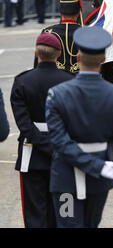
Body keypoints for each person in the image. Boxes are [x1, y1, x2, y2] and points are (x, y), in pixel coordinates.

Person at [45, 27, 113, 228]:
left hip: (66, 178)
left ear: (77, 58)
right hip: (99, 177)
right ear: (103, 59)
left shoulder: (57, 94)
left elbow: (59, 142)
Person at [10, 33, 73, 228]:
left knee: (34, 213)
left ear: (36, 52)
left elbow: (24, 124)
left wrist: (43, 144)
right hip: (62, 152)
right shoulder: (70, 81)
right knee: (62, 213)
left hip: (33, 152)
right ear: (59, 54)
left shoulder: (22, 81)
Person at [36, 0, 82, 75]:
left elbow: (38, 63)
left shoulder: (47, 32)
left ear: (60, 14)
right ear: (78, 14)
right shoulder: (87, 32)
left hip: (53, 79)